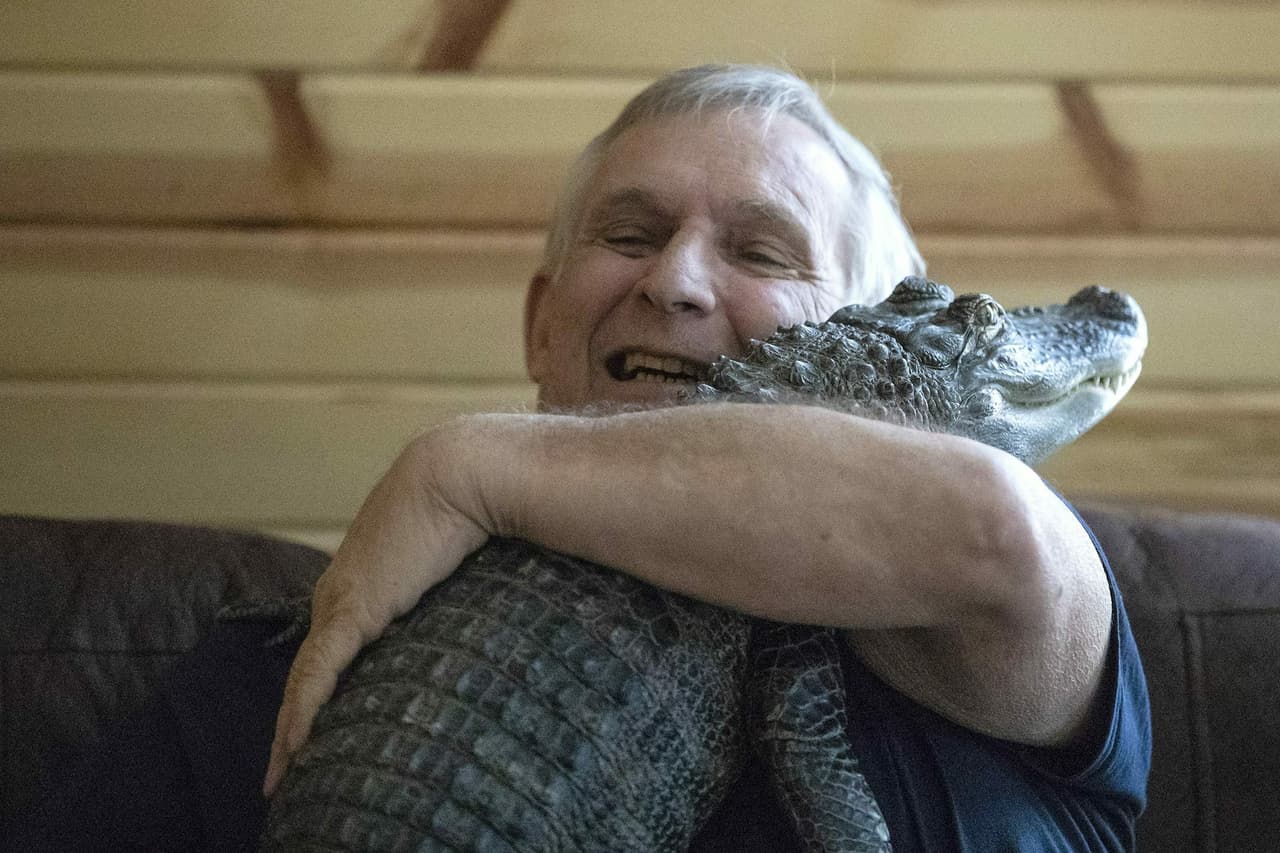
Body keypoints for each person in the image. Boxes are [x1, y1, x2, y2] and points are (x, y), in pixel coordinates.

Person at [14, 65, 1149, 852]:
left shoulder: (991, 642)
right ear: (542, 329)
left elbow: (982, 527)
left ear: (873, 326)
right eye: (626, 235)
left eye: (761, 249)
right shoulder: (282, 661)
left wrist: (471, 467)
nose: (674, 282)